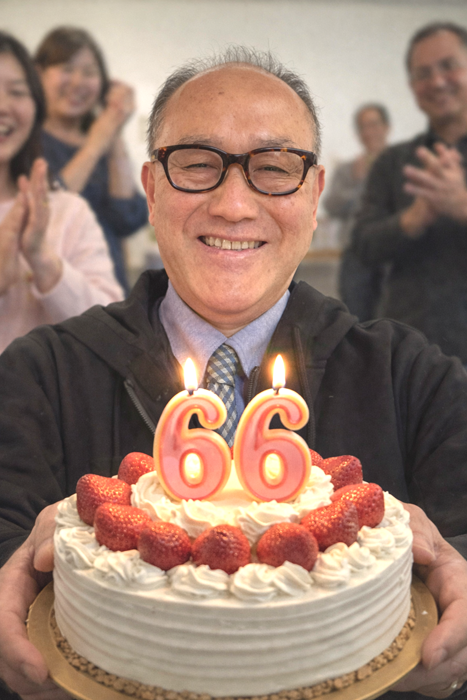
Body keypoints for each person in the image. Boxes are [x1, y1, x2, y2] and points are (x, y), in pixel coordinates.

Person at [0, 46, 467, 700]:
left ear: (314, 195)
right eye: (196, 165)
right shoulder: (39, 374)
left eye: (274, 168)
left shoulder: (411, 376)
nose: (233, 205)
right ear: (151, 189)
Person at [0, 31, 123, 354]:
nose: (2, 106)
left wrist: (43, 260)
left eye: (16, 91)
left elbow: (110, 333)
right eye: (67, 68)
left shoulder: (68, 211)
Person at [351, 22, 467, 363]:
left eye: (448, 66)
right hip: (408, 353)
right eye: (423, 74)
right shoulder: (393, 162)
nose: (437, 81)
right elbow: (362, 246)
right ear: (414, 88)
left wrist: (462, 206)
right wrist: (412, 219)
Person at [35, 26, 148, 292]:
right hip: (54, 293)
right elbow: (46, 212)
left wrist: (114, 129)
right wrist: (97, 142)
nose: (78, 82)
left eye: (89, 72)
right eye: (67, 68)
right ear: (38, 74)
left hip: (110, 295)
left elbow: (127, 218)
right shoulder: (26, 141)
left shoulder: (104, 140)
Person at [324, 104, 390, 320]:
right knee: (357, 321)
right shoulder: (349, 170)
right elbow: (331, 206)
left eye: (373, 125)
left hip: (393, 255)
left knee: (395, 319)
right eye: (363, 127)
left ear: (386, 127)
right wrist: (357, 180)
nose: (369, 132)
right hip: (356, 255)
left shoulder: (401, 166)